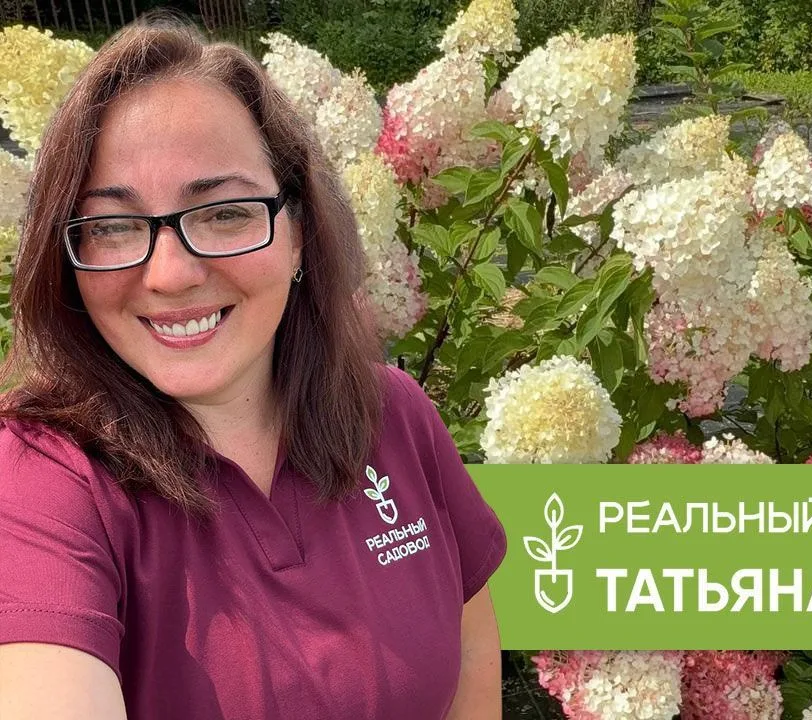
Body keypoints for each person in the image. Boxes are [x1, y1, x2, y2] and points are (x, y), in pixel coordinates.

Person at [0, 16, 506, 720]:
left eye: (224, 214)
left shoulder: (393, 413)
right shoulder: (40, 478)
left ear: (297, 233)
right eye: (112, 227)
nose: (170, 274)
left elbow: (471, 648)